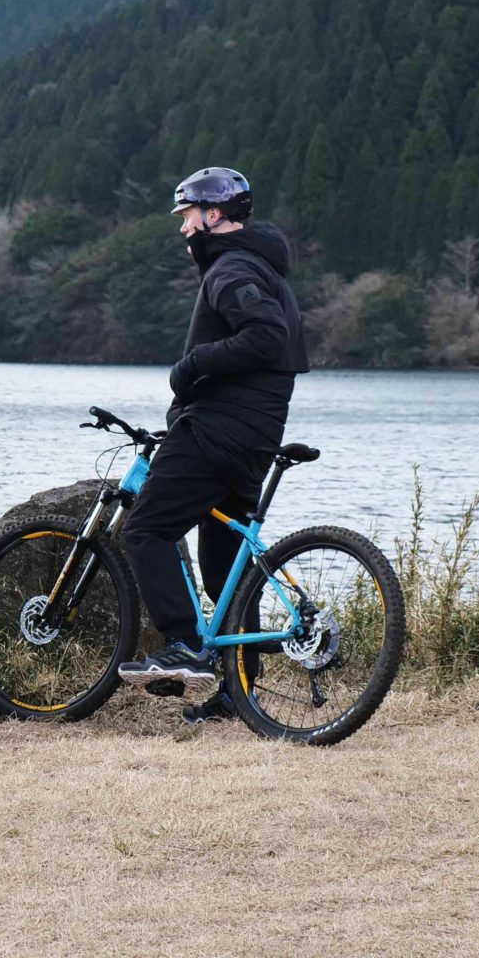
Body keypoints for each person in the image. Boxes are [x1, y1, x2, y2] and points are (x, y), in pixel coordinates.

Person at [118, 166, 311, 720]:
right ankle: (238, 693)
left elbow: (265, 336)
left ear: (213, 216)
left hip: (218, 432)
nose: (183, 229)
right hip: (252, 437)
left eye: (186, 216)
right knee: (226, 566)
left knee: (146, 528)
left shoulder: (232, 269)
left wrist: (191, 366)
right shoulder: (262, 266)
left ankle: (184, 647)